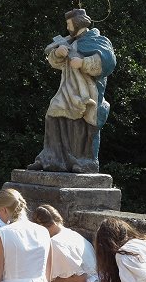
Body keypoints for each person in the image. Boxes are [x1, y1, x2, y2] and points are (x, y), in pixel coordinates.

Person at [27, 9, 117, 173]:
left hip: (86, 92)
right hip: (66, 89)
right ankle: (51, 159)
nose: (68, 28)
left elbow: (108, 63)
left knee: (78, 124)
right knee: (53, 115)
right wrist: (58, 53)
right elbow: (55, 61)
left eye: (69, 24)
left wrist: (83, 63)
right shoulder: (69, 40)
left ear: (78, 24)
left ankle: (82, 161)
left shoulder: (98, 40)